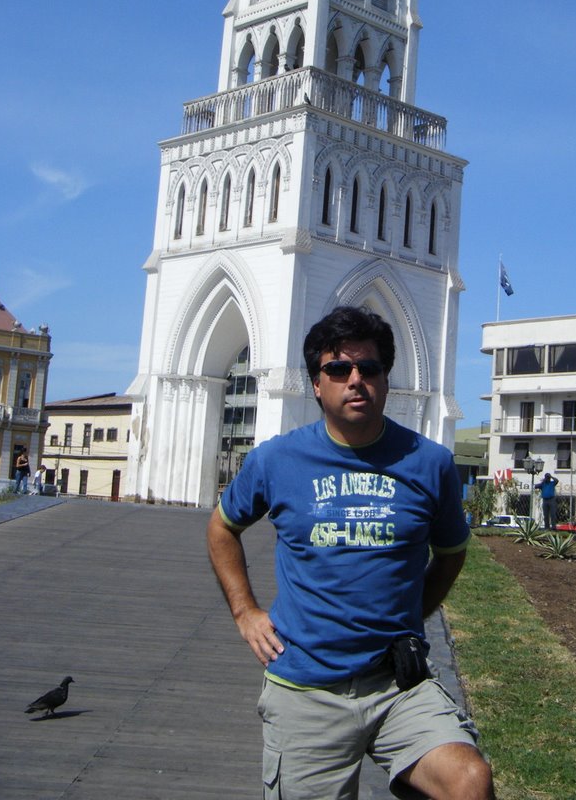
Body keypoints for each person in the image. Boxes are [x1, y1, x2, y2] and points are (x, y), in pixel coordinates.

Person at [208, 306, 495, 800]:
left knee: (469, 781)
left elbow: (451, 553)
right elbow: (221, 528)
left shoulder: (431, 464)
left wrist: (413, 614)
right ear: (317, 384)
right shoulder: (276, 460)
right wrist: (245, 611)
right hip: (308, 687)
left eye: (370, 368)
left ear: (386, 380)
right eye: (339, 369)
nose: (355, 380)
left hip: (398, 683)